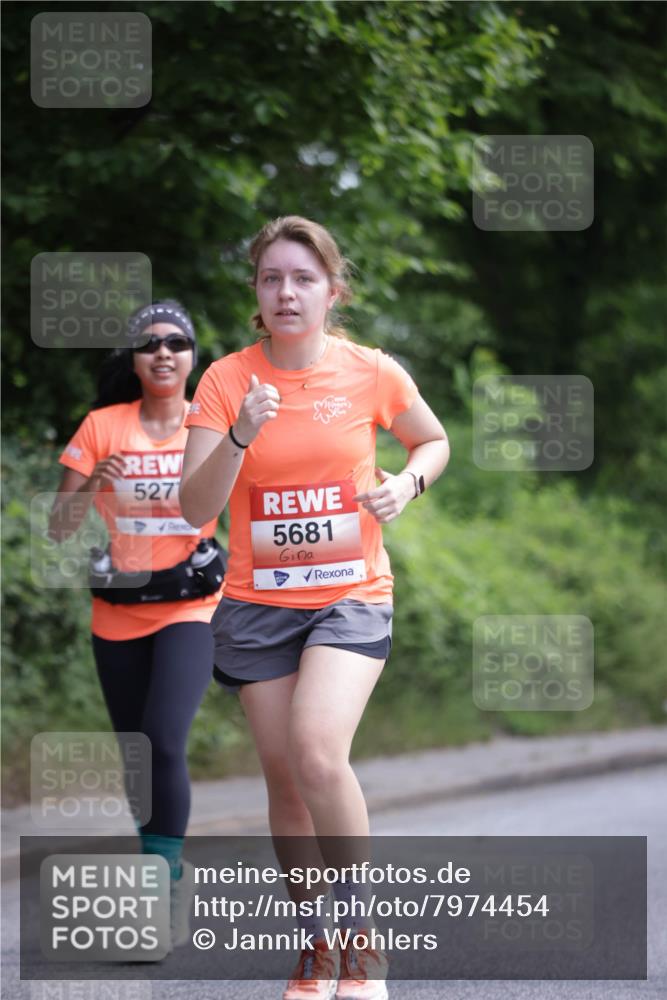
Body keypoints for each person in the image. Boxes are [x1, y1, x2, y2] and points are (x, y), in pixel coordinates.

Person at [180, 217, 450, 1000]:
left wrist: (406, 483)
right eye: (271, 278)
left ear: (333, 290)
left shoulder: (370, 371)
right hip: (256, 605)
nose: (286, 292)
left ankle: (361, 941)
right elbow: (195, 508)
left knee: (317, 752)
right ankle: (315, 945)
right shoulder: (226, 380)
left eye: (303, 278)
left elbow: (432, 441)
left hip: (349, 595)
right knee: (286, 782)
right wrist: (239, 435)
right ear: (256, 294)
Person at [49, 300, 225, 949]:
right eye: (149, 343)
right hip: (118, 610)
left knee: (163, 739)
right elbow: (58, 527)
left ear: (192, 356)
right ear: (133, 358)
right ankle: (160, 863)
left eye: (176, 342)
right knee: (137, 754)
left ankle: (161, 881)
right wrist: (92, 480)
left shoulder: (211, 426)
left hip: (189, 606)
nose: (163, 353)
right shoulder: (103, 425)